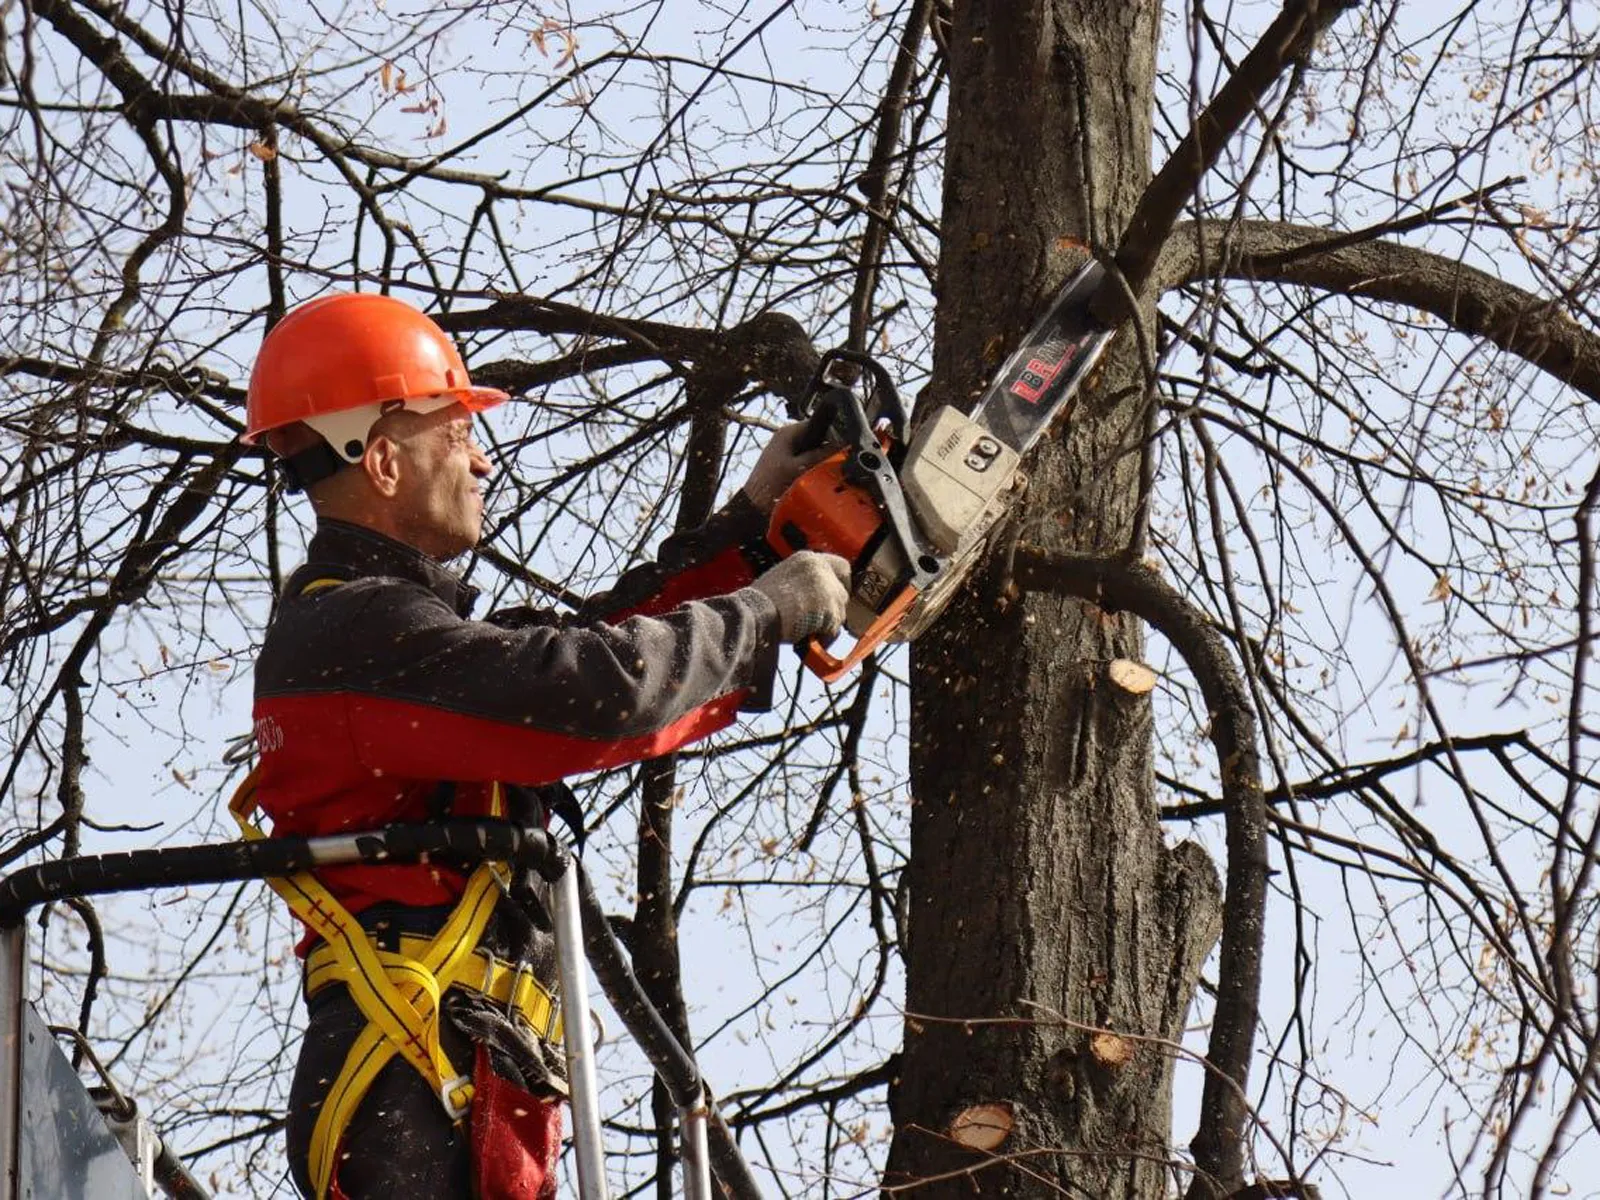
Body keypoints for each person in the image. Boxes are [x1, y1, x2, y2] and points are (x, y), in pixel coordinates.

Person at [237, 291, 850, 1199]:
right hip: (409, 1091)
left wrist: (753, 532)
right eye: (457, 433)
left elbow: (589, 656)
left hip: (452, 1075)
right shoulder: (354, 635)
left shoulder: (389, 641)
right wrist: (763, 613)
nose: (482, 458)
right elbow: (593, 692)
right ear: (384, 462)